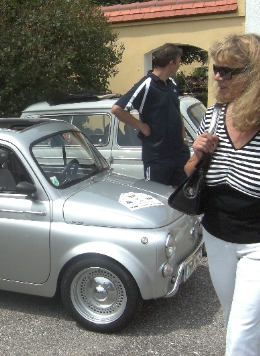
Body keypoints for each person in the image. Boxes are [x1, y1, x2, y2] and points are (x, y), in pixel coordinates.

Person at [185, 33, 260, 356]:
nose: (218, 77)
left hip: (256, 242)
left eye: (228, 71)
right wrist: (197, 153)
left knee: (242, 332)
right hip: (215, 234)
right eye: (216, 68)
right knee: (234, 317)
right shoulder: (214, 115)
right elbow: (189, 173)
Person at [111, 43, 189, 186]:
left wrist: (184, 139)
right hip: (157, 157)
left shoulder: (171, 84)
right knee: (156, 198)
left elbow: (176, 111)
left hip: (179, 153)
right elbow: (117, 109)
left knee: (181, 199)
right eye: (179, 62)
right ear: (171, 63)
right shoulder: (147, 84)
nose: (179, 65)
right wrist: (141, 126)